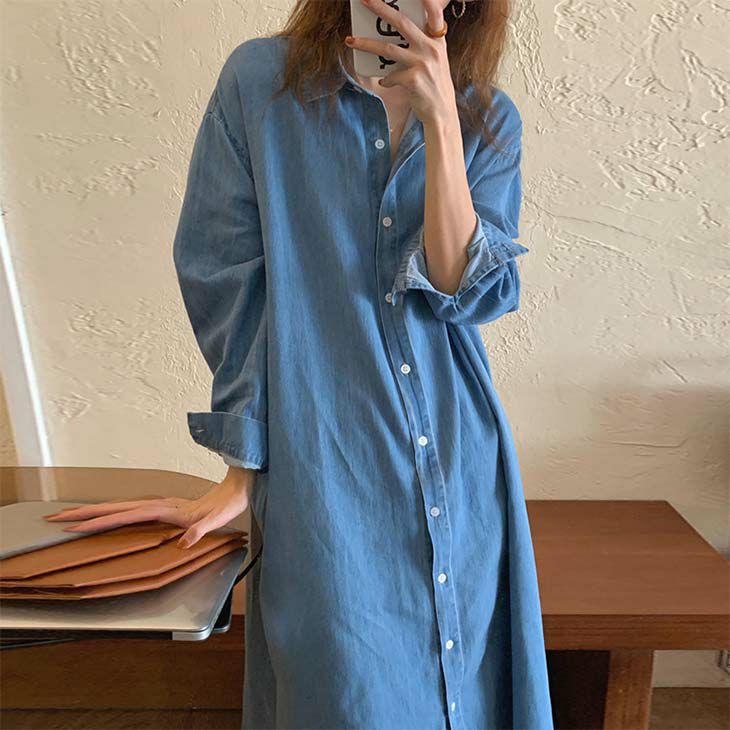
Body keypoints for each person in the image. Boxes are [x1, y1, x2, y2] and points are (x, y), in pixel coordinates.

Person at [45, 0, 554, 727]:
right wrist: (245, 460)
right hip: (324, 463)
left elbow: (465, 291)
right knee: (345, 693)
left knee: (466, 699)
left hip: (458, 455)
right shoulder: (261, 85)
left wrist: (442, 119)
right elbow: (224, 278)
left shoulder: (488, 117)